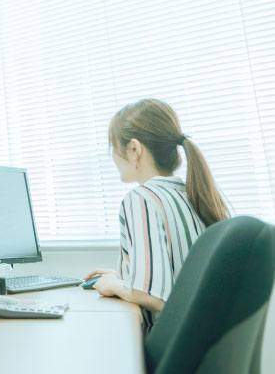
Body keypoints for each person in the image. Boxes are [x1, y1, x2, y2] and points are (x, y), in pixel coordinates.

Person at [85, 99, 229, 330]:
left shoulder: (141, 199)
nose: (112, 156)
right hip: (200, 340)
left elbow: (155, 297)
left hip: (168, 343)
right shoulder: (192, 194)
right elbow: (177, 275)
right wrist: (125, 275)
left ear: (134, 148)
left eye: (113, 147)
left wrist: (114, 285)